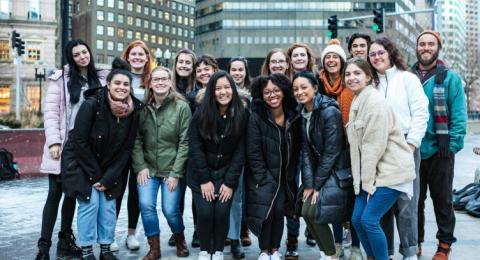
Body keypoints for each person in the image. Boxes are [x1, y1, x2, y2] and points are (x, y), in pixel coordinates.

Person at [61, 58, 142, 260]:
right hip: (81, 163)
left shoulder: (134, 112)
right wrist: (96, 175)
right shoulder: (92, 104)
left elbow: (127, 148)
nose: (121, 87)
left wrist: (108, 177)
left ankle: (106, 248)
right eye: (117, 83)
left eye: (126, 84)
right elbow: (79, 141)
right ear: (108, 84)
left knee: (107, 206)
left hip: (109, 167)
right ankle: (87, 249)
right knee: (90, 204)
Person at [36, 39, 108, 260]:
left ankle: (65, 242)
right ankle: (43, 248)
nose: (82, 57)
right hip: (64, 145)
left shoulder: (102, 78)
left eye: (84, 52)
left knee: (72, 195)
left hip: (87, 147)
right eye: (76, 55)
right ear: (71, 58)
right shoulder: (61, 79)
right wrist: (54, 142)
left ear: (89, 52)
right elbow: (51, 114)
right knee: (54, 195)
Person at [345, 57, 416, 260]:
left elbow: (372, 148)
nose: (351, 78)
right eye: (348, 74)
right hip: (372, 173)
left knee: (368, 221)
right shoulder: (358, 100)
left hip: (391, 171)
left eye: (357, 73)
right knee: (357, 220)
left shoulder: (374, 102)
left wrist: (367, 185)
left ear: (368, 76)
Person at [368, 37, 429, 260]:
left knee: (407, 203)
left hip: (405, 145)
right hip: (379, 148)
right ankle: (387, 252)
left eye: (380, 52)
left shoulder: (407, 79)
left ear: (391, 53)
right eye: (372, 54)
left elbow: (421, 112)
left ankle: (409, 252)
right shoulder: (370, 83)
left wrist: (412, 143)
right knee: (382, 203)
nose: (376, 57)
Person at [413, 30, 467, 259]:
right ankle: (415, 242)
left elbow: (459, 116)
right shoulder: (408, 76)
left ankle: (444, 245)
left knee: (443, 201)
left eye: (430, 44)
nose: (426, 47)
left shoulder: (450, 78)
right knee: (414, 203)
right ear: (417, 48)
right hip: (413, 150)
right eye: (422, 44)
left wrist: (451, 146)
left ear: (438, 48)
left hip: (441, 151)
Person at [187, 71, 248, 260]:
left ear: (234, 90)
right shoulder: (201, 114)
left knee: (222, 213)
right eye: (218, 88)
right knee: (205, 213)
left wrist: (229, 182)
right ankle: (205, 251)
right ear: (211, 91)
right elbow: (195, 148)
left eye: (227, 87)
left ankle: (219, 250)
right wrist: (205, 180)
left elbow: (241, 151)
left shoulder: (242, 113)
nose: (223, 92)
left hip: (226, 174)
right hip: (201, 174)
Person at [132, 66, 192, 259]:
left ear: (170, 82)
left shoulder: (181, 107)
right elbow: (136, 139)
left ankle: (180, 238)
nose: (160, 83)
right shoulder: (142, 108)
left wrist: (175, 174)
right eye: (156, 79)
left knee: (170, 210)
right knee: (146, 205)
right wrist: (140, 166)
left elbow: (185, 142)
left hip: (171, 169)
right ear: (150, 82)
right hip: (148, 168)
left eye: (164, 79)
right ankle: (154, 248)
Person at [246, 73, 301, 260]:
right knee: (266, 212)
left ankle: (275, 249)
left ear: (284, 92)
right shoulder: (256, 117)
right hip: (263, 176)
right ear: (261, 95)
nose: (272, 95)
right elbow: (253, 152)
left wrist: (291, 174)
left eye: (276, 91)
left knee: (279, 211)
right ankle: (264, 250)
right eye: (267, 92)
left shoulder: (294, 115)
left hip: (285, 177)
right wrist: (263, 177)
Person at [293, 71, 345, 260]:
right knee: (305, 211)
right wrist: (308, 184)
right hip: (319, 173)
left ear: (315, 88)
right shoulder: (304, 112)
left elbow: (332, 152)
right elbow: (306, 151)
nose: (299, 92)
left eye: (304, 87)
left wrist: (316, 185)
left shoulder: (329, 111)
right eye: (296, 89)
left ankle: (332, 254)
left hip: (335, 171)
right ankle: (326, 253)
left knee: (313, 211)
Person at [318, 39, 362, 260]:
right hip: (327, 150)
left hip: (351, 149)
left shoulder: (350, 84)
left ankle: (355, 246)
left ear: (342, 61)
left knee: (352, 199)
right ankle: (336, 245)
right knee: (334, 198)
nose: (332, 60)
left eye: (336, 57)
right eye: (328, 57)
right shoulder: (318, 84)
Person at [115, 40, 155, 251]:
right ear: (127, 57)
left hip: (143, 143)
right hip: (120, 142)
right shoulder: (120, 78)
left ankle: (131, 233)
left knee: (136, 191)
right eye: (134, 54)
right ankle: (109, 233)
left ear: (147, 58)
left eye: (142, 54)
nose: (138, 58)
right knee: (116, 189)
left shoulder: (151, 80)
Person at [185, 54, 219, 248]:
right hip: (199, 152)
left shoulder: (225, 90)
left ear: (214, 70)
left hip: (220, 152)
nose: (203, 73)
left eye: (207, 69)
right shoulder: (192, 98)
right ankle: (199, 229)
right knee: (199, 195)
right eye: (199, 70)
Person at [167, 48, 197, 248]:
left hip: (195, 148)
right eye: (181, 62)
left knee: (196, 192)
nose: (184, 65)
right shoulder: (168, 88)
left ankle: (198, 230)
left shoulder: (199, 87)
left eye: (188, 62)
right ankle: (176, 231)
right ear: (175, 65)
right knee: (176, 193)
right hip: (174, 149)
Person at [227, 56, 252, 259]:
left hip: (249, 154)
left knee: (243, 197)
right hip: (227, 154)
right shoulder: (221, 92)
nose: (237, 73)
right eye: (233, 69)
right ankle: (231, 236)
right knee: (233, 197)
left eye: (240, 70)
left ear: (246, 72)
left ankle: (240, 233)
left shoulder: (254, 95)